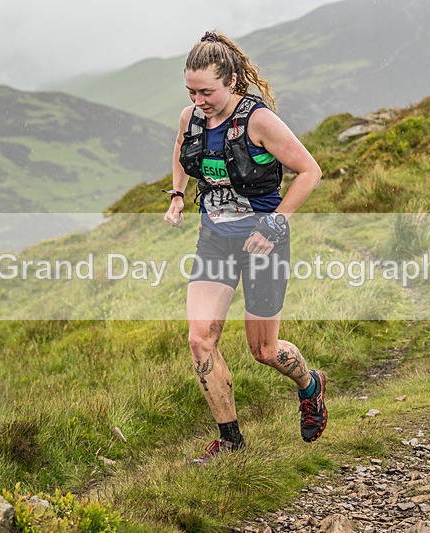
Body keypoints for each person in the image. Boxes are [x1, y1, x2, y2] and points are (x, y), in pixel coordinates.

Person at [164, 30, 326, 463]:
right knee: (200, 340)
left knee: (264, 351)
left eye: (207, 92)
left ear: (232, 81)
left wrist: (273, 225)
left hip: (263, 244)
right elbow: (181, 148)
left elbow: (310, 171)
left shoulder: (258, 121)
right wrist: (178, 194)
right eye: (191, 91)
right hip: (215, 240)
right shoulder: (191, 118)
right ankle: (231, 441)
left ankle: (310, 385)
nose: (198, 100)